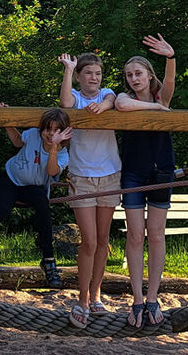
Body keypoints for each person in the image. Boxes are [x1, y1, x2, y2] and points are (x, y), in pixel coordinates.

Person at [0, 108, 73, 302]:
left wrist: (53, 147)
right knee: (2, 209)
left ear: (64, 133)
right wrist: (8, 120)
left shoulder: (63, 154)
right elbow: (18, 141)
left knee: (43, 206)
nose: (50, 134)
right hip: (10, 179)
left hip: (34, 187)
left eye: (56, 130)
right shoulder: (33, 134)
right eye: (47, 129)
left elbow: (52, 172)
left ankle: (49, 260)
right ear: (41, 128)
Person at [113, 35, 178, 327]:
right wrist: (155, 110)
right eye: (129, 75)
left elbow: (169, 89)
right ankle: (137, 299)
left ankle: (153, 297)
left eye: (138, 73)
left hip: (162, 169)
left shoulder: (162, 95)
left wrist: (170, 57)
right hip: (133, 171)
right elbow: (124, 107)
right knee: (135, 235)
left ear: (149, 74)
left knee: (156, 234)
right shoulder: (123, 98)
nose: (133, 78)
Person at [59, 52, 119, 325]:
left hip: (109, 174)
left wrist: (104, 107)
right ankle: (82, 298)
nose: (94, 78)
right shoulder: (75, 97)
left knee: (103, 240)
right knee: (89, 240)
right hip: (81, 175)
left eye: (98, 73)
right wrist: (68, 70)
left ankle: (96, 295)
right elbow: (65, 103)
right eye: (88, 73)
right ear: (80, 76)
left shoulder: (107, 94)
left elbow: (111, 98)